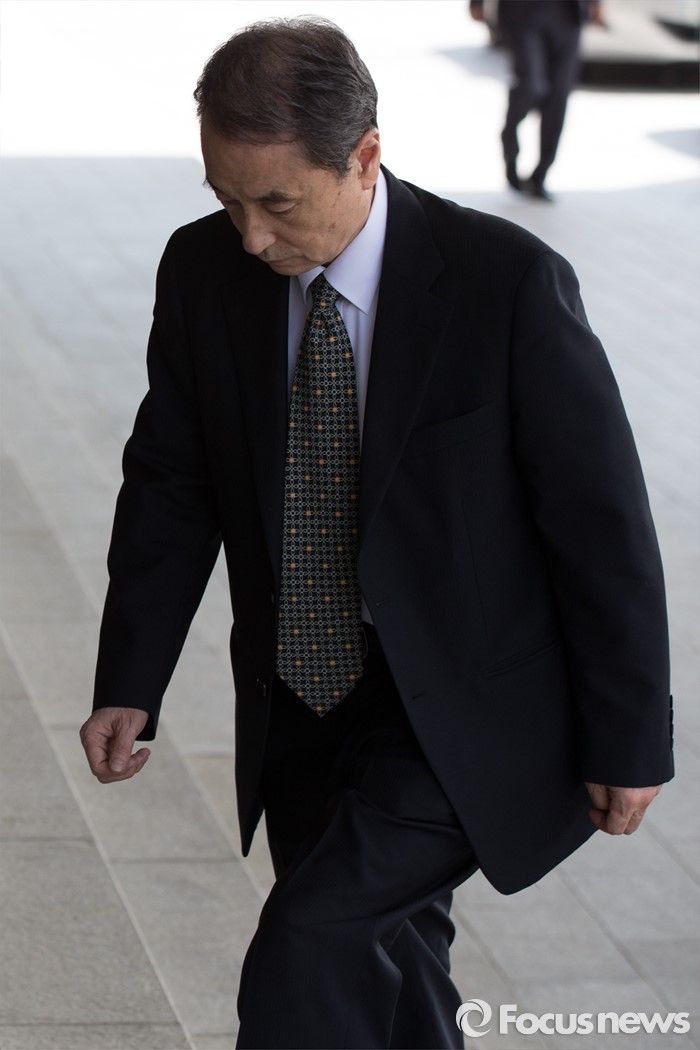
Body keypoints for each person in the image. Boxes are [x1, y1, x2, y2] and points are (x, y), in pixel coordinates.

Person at [80, 16, 673, 1050]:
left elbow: (601, 524)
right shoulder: (204, 272)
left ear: (364, 157)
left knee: (309, 945)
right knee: (391, 963)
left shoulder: (504, 284)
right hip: (303, 696)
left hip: (468, 706)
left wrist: (629, 737)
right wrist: (131, 675)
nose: (252, 236)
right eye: (227, 200)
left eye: (277, 203)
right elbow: (173, 481)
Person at [470, 0, 605, 200]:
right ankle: (510, 143)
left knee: (558, 96)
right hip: (522, 12)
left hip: (567, 15)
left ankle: (540, 175)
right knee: (531, 86)